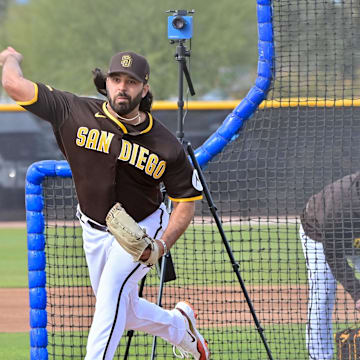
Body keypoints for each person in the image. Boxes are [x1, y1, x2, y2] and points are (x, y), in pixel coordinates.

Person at [0, 46, 210, 360]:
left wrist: (162, 246)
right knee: (124, 309)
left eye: (131, 81)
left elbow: (186, 202)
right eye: (116, 78)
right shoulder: (73, 110)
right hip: (94, 228)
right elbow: (14, 85)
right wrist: (10, 58)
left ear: (145, 88)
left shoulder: (166, 145)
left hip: (142, 229)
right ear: (106, 82)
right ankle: (179, 327)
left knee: (109, 300)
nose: (122, 87)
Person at [300, 172, 360, 360]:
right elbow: (334, 256)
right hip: (318, 233)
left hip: (354, 233)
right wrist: (357, 293)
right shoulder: (339, 207)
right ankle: (319, 357)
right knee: (323, 293)